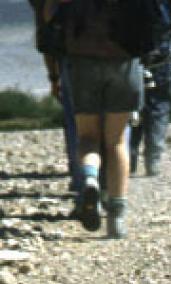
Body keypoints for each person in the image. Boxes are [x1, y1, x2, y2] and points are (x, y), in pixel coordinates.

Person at [44, 0, 143, 239]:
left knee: (88, 137)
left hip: (81, 63)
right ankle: (116, 220)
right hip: (125, 62)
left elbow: (49, 16)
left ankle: (90, 178)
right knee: (117, 141)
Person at [129, 0, 171, 177]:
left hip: (131, 61)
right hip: (160, 62)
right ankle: (153, 161)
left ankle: (128, 161)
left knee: (130, 109)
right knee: (159, 109)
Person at [29, 0, 80, 201]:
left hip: (70, 56)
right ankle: (112, 185)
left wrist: (53, 77)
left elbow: (46, 37)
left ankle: (82, 178)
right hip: (115, 54)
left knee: (76, 119)